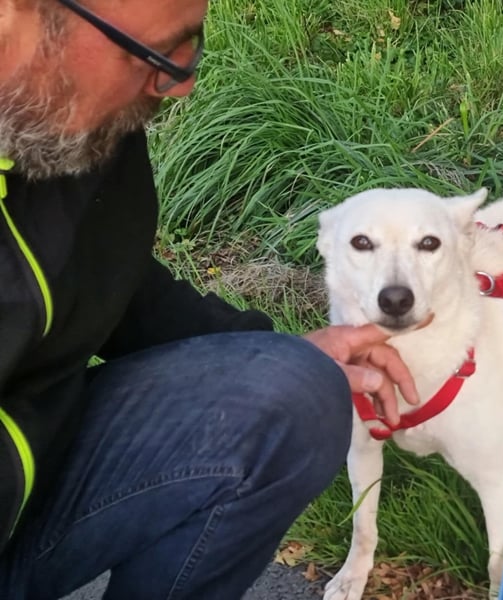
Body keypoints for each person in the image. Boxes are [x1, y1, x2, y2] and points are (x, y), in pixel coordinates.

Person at [0, 1, 418, 598]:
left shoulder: (77, 126)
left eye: (191, 45)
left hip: (33, 489)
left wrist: (276, 353)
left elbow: (103, 273)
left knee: (291, 390)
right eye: (157, 53)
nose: (181, 84)